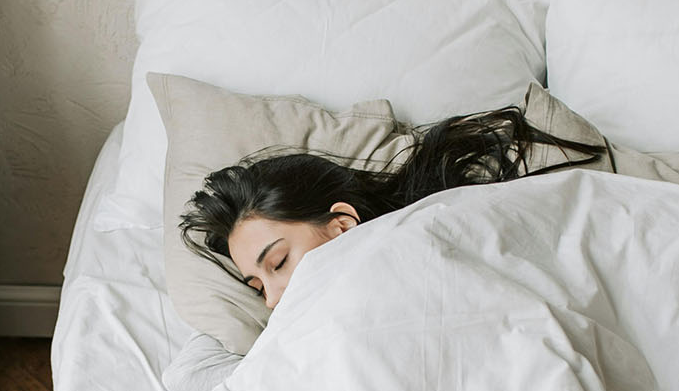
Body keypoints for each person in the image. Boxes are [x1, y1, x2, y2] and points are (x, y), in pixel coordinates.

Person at [180, 106, 606, 308]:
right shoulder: (305, 326)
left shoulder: (431, 233)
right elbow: (192, 373)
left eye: (278, 262)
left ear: (341, 226)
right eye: (257, 288)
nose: (271, 301)